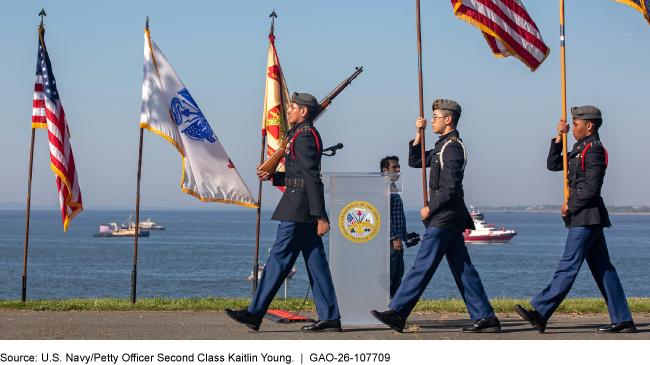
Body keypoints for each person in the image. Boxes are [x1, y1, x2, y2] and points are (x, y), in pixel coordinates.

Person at [371, 99, 500, 333]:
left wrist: (430, 208)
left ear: (448, 119)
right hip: (447, 215)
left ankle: (398, 313)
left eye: (435, 117)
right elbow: (415, 161)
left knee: (423, 264)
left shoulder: (452, 147)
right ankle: (486, 316)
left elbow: (451, 188)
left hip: (445, 214)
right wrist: (418, 134)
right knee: (463, 267)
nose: (431, 121)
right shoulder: (441, 146)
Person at [225, 92, 341, 332]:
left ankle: (254, 313)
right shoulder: (301, 135)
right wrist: (274, 175)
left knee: (278, 260)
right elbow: (298, 174)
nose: (288, 111)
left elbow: (311, 177)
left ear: (304, 112)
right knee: (316, 263)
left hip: (298, 208)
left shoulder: (303, 137)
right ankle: (330, 317)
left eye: (293, 107)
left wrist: (321, 216)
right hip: (302, 205)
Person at [515, 106, 636, 333]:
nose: (573, 128)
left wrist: (570, 205)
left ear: (589, 125)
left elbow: (592, 188)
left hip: (586, 217)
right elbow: (553, 165)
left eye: (576, 124)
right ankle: (623, 319)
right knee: (604, 270)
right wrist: (559, 138)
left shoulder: (594, 150)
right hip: (587, 218)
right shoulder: (580, 149)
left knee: (568, 265)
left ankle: (540, 312)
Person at [380, 156, 407, 298]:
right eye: (394, 167)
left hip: (397, 241)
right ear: (385, 170)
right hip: (391, 242)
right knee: (389, 275)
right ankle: (384, 305)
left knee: (398, 274)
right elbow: (384, 215)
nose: (398, 170)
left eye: (399, 167)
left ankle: (394, 307)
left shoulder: (393, 188)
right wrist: (394, 237)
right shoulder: (384, 189)